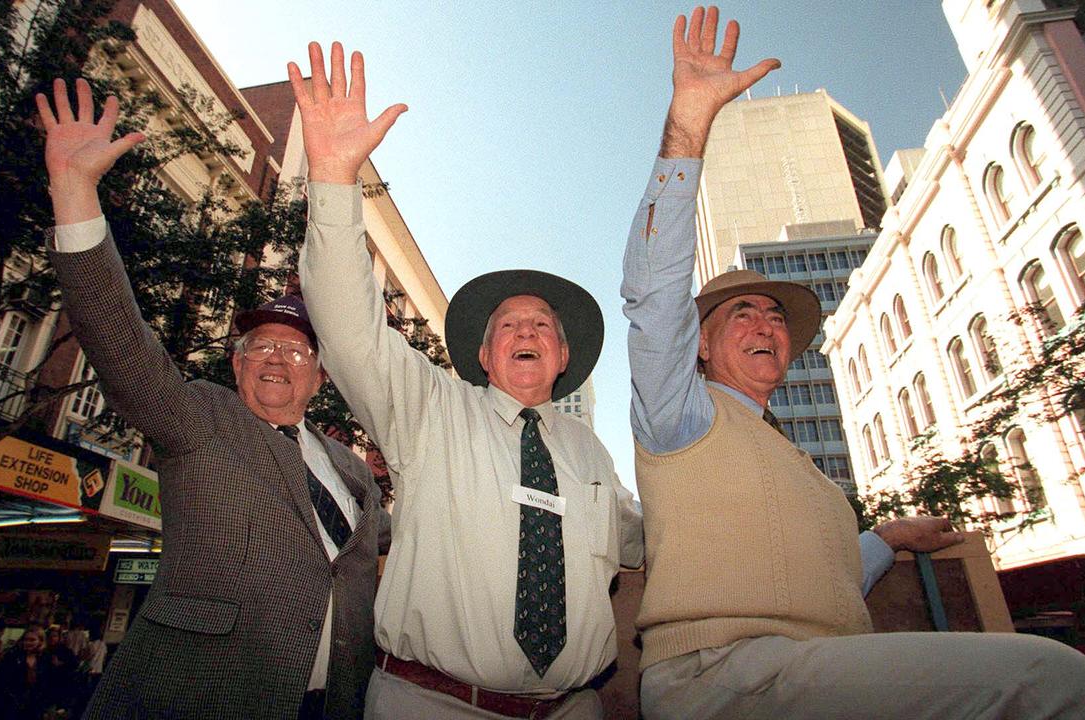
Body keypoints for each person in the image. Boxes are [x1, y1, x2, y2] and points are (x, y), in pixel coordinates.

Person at [621, 7, 1085, 719]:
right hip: (725, 676)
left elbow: (828, 580)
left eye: (775, 317)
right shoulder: (680, 414)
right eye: (742, 313)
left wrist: (886, 537)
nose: (766, 323)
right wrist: (689, 125)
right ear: (699, 344)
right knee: (1054, 681)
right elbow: (652, 292)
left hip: (811, 668)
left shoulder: (802, 470)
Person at [288, 40, 645, 720]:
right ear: (484, 357)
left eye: (542, 325)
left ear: (563, 358)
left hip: (574, 709)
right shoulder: (430, 411)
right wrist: (333, 179)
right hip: (430, 704)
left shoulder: (592, 456)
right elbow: (350, 331)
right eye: (508, 325)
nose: (528, 332)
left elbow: (648, 539)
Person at [33, 77, 389, 719]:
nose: (278, 356)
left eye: (298, 350)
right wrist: (74, 189)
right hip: (196, 698)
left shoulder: (351, 471)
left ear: (320, 378)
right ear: (235, 364)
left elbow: (407, 545)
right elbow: (117, 341)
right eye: (260, 346)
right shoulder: (198, 418)